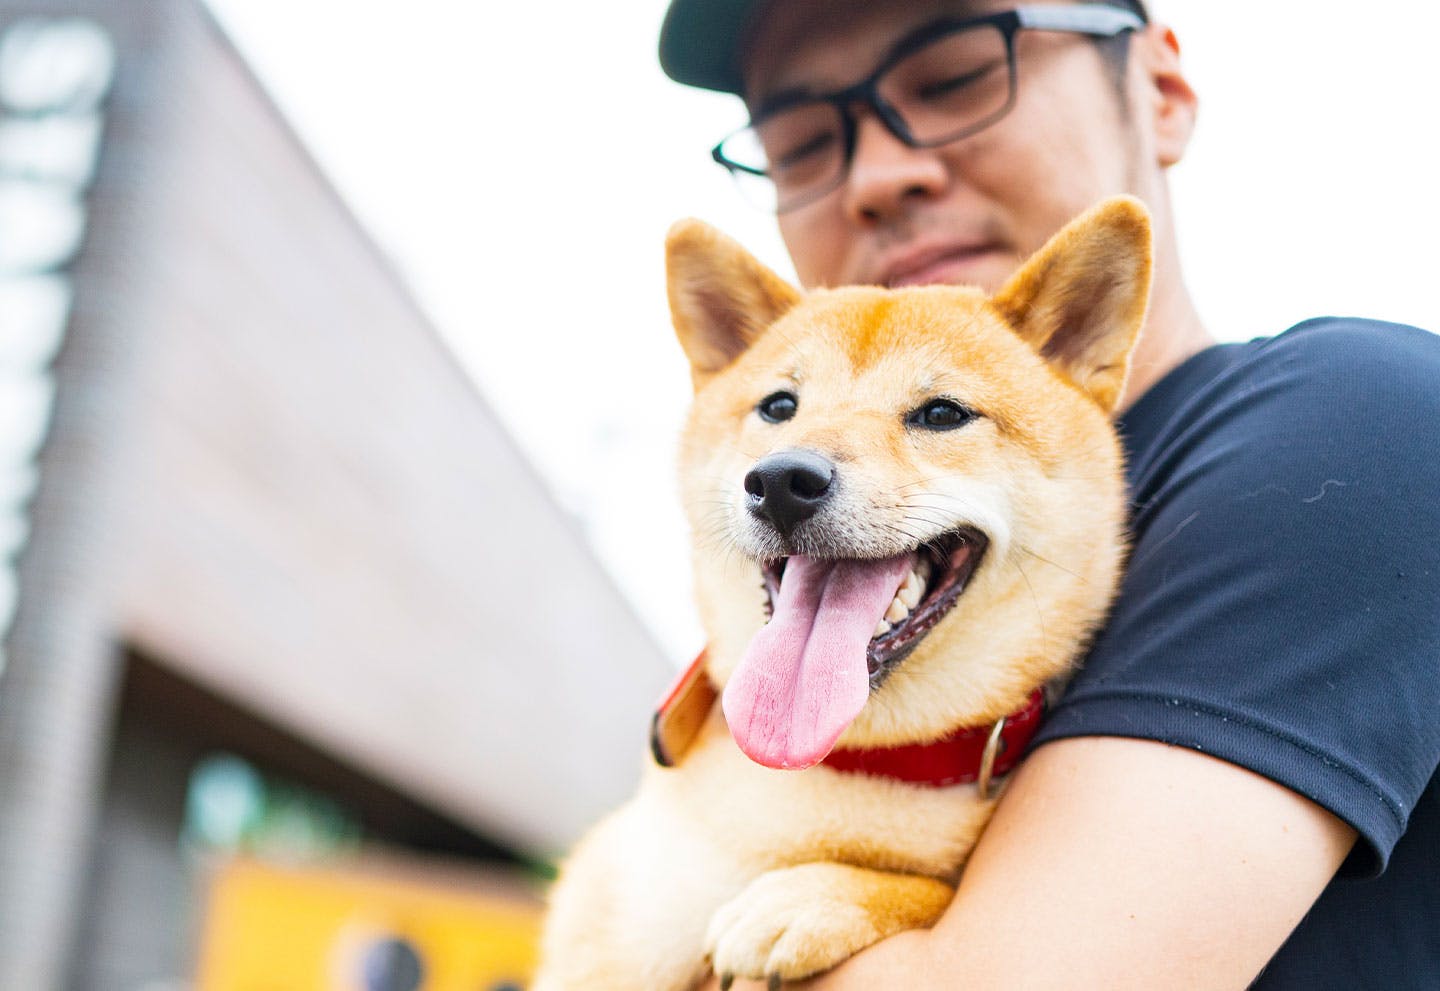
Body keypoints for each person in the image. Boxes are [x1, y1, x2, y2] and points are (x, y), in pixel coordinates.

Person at [655, 0, 1440, 986]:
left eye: (954, 78)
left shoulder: (1351, 427)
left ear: (1159, 88)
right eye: (806, 142)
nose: (878, 176)